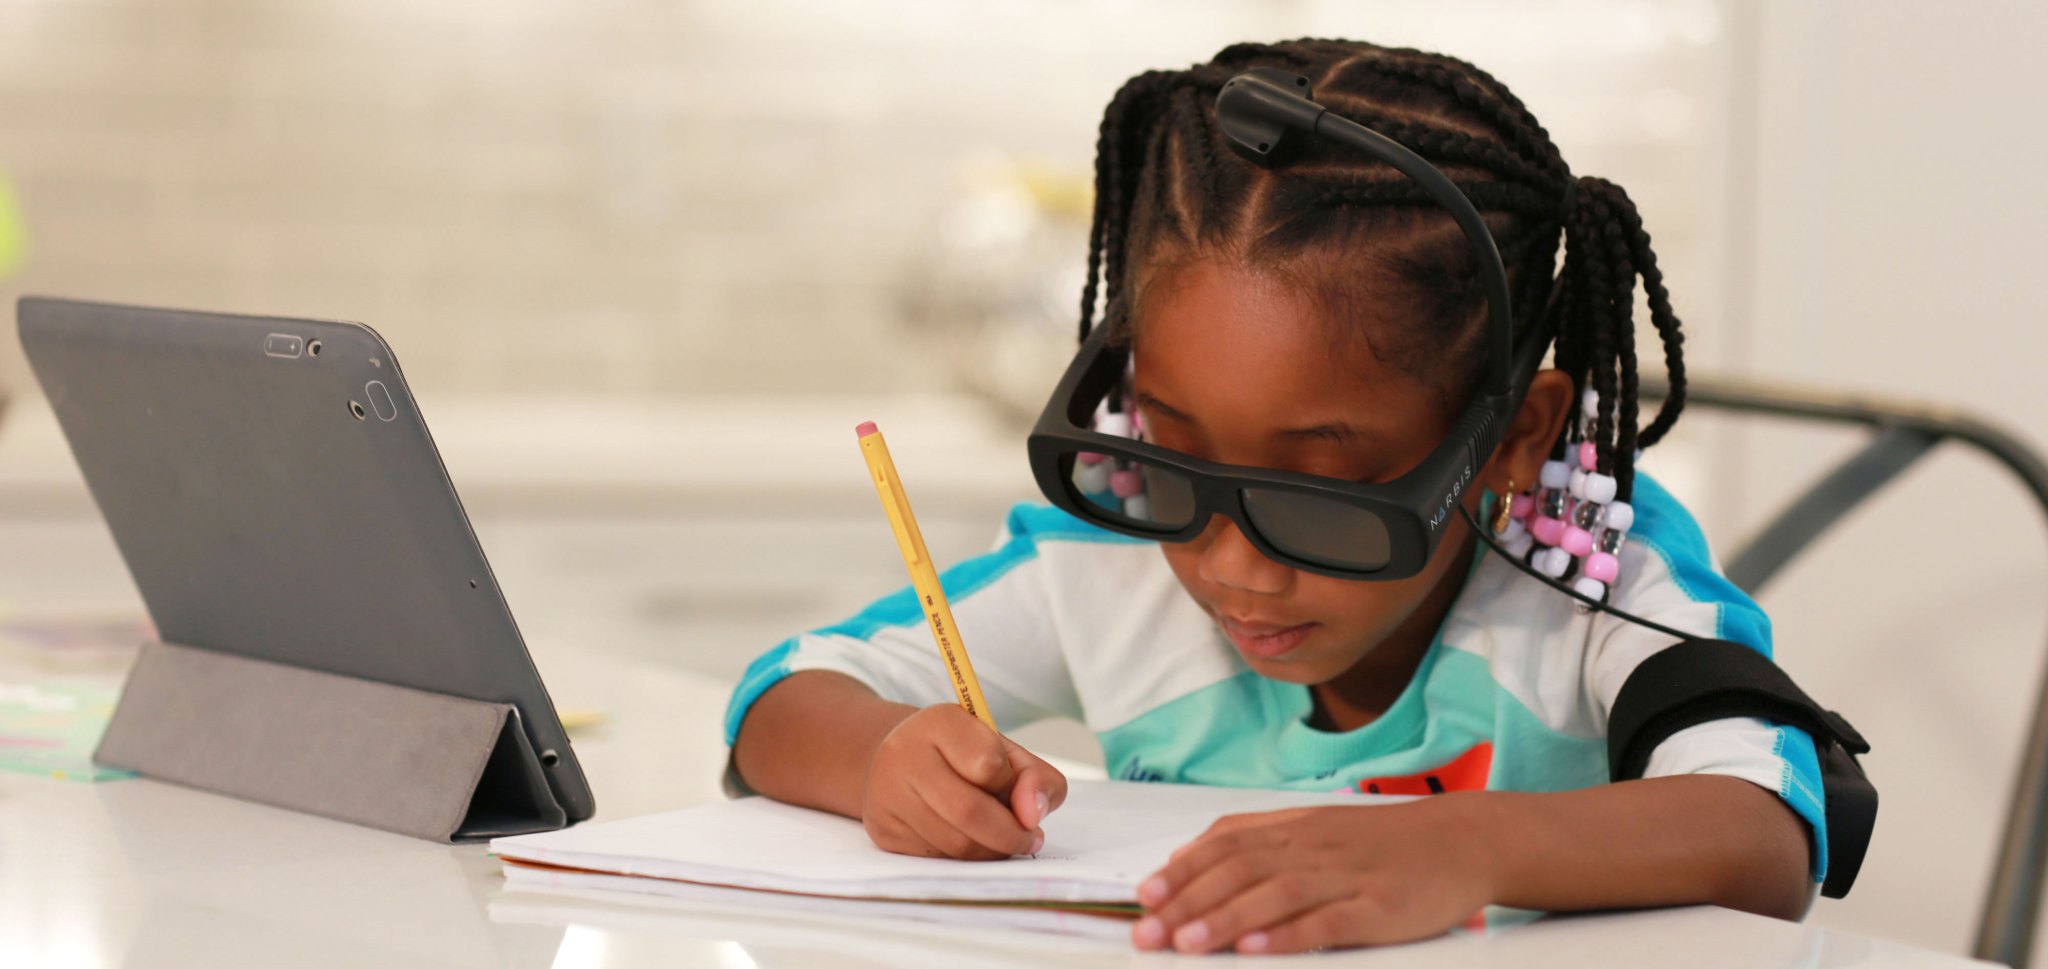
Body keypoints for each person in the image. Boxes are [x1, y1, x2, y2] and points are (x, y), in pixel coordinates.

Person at [726, 38, 1825, 954]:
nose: (1229, 566)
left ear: (1511, 438)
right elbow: (784, 697)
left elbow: (1764, 833)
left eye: (1321, 494)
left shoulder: (1593, 585)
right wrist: (885, 759)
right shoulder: (1101, 556)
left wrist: (1469, 847)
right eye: (1170, 450)